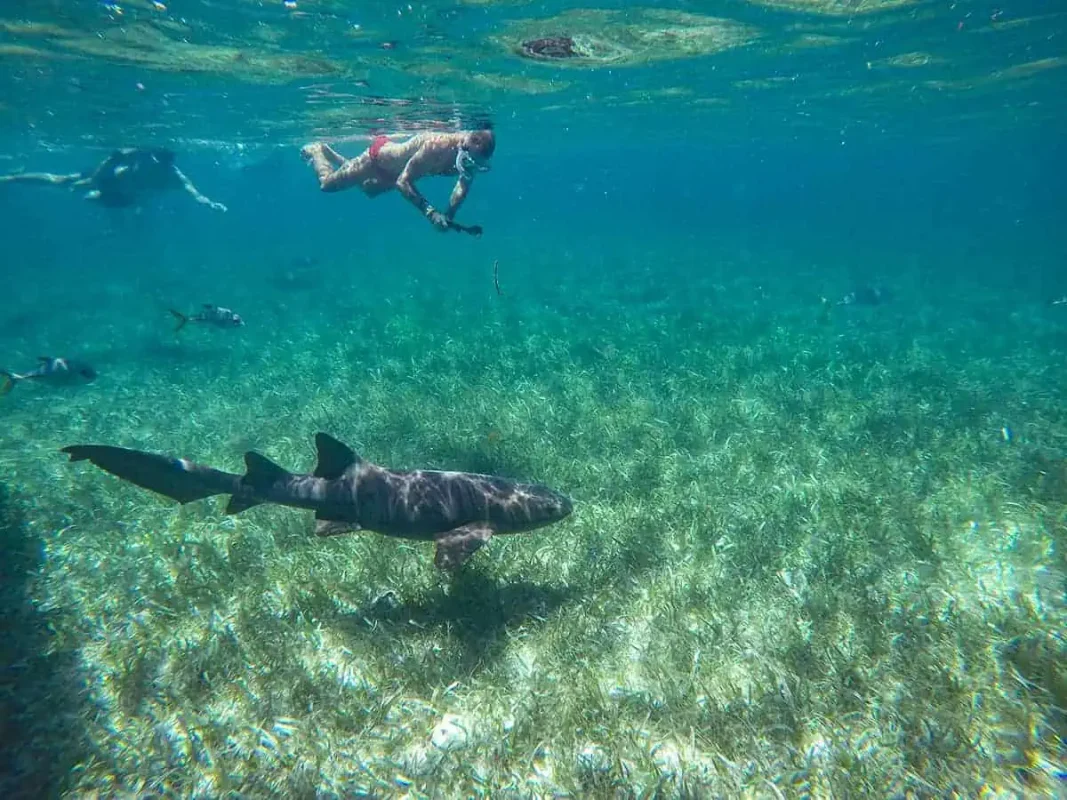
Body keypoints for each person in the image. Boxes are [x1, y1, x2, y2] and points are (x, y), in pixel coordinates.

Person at [301, 129, 494, 232]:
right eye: (468, 161)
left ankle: (332, 154)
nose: (469, 166)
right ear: (465, 145)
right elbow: (403, 183)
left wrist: (449, 215)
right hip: (375, 160)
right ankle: (317, 150)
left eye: (475, 163)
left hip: (394, 173)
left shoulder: (471, 156)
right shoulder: (437, 145)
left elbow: (463, 184)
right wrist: (431, 213)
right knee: (326, 185)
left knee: (368, 191)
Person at [0, 147, 227, 211]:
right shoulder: (139, 154)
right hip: (105, 179)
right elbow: (111, 159)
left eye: (159, 160)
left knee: (88, 197)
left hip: (122, 199)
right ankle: (11, 178)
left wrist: (207, 202)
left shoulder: (174, 176)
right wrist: (94, 180)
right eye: (153, 157)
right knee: (61, 181)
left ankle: (94, 193)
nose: (153, 161)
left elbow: (193, 192)